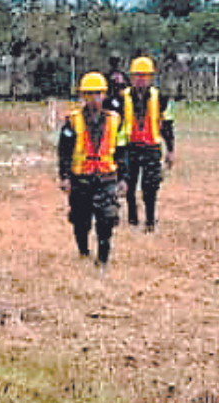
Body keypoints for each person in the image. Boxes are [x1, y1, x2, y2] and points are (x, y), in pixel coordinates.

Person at [58, 72, 126, 267]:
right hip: (81, 179)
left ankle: (102, 259)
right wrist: (65, 177)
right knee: (81, 220)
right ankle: (83, 250)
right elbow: (64, 152)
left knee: (107, 219)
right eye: (89, 94)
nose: (94, 98)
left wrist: (124, 178)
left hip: (106, 178)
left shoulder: (115, 120)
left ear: (104, 95)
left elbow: (122, 152)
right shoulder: (72, 121)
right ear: (83, 96)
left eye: (98, 93)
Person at [117, 56, 175, 231]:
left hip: (151, 147)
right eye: (137, 75)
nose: (140, 79)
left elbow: (167, 125)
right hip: (130, 147)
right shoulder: (121, 98)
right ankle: (132, 219)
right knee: (129, 186)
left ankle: (150, 221)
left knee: (150, 187)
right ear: (131, 77)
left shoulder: (161, 98)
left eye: (144, 76)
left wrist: (170, 150)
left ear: (151, 78)